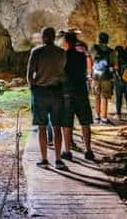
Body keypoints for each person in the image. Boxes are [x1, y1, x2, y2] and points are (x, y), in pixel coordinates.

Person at [26, 27, 68, 169]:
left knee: (42, 127)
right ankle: (58, 159)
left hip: (41, 92)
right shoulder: (61, 53)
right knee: (57, 127)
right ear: (54, 37)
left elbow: (30, 73)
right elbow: (63, 72)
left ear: (43, 37)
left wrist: (33, 88)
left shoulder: (37, 52)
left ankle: (44, 159)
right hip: (57, 92)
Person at [58, 30, 95, 161]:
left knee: (66, 123)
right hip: (81, 91)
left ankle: (67, 151)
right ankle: (88, 150)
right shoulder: (81, 56)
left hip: (67, 92)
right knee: (85, 122)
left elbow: (60, 74)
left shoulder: (63, 56)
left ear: (66, 42)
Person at [90, 32, 115, 124]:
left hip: (95, 76)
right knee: (104, 97)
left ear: (99, 39)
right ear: (107, 40)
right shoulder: (111, 52)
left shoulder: (93, 49)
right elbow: (115, 66)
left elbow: (90, 60)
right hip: (106, 76)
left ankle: (97, 117)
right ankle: (104, 118)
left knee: (96, 96)